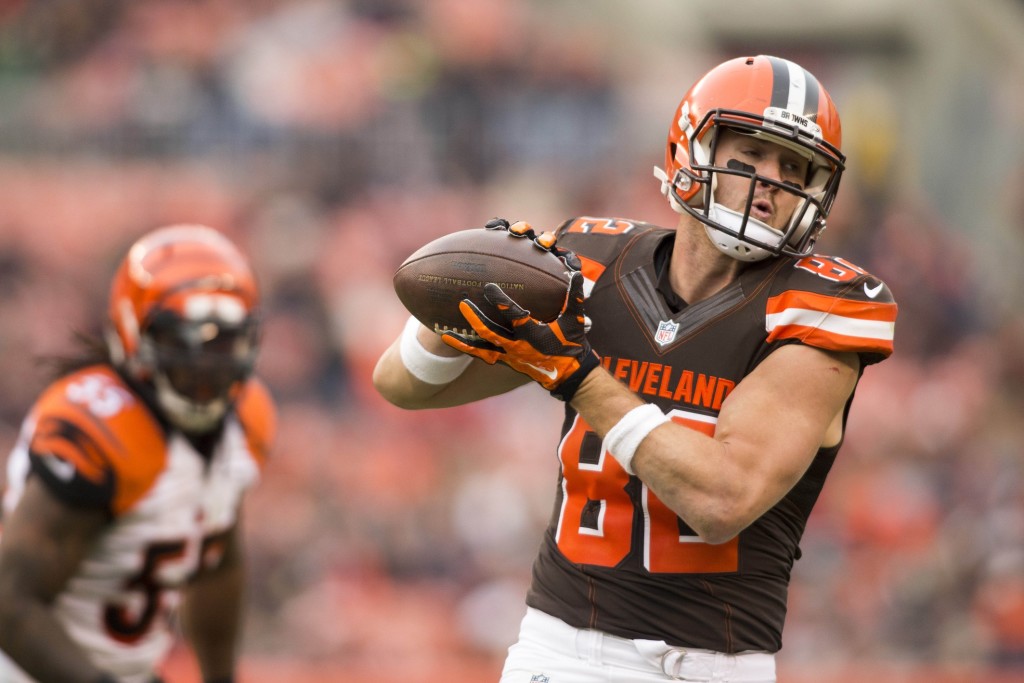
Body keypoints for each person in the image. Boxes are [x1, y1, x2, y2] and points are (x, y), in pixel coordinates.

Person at [373, 54, 898, 682]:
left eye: (794, 167)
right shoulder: (596, 266)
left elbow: (721, 497)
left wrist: (578, 377)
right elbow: (402, 385)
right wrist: (463, 305)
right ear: (692, 148)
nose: (771, 182)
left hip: (704, 665)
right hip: (557, 649)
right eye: (751, 155)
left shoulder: (819, 311)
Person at [0, 224, 275, 683]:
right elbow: (9, 602)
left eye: (223, 342)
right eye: (183, 341)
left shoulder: (247, 420)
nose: (206, 364)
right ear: (132, 332)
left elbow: (216, 562)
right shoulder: (99, 429)